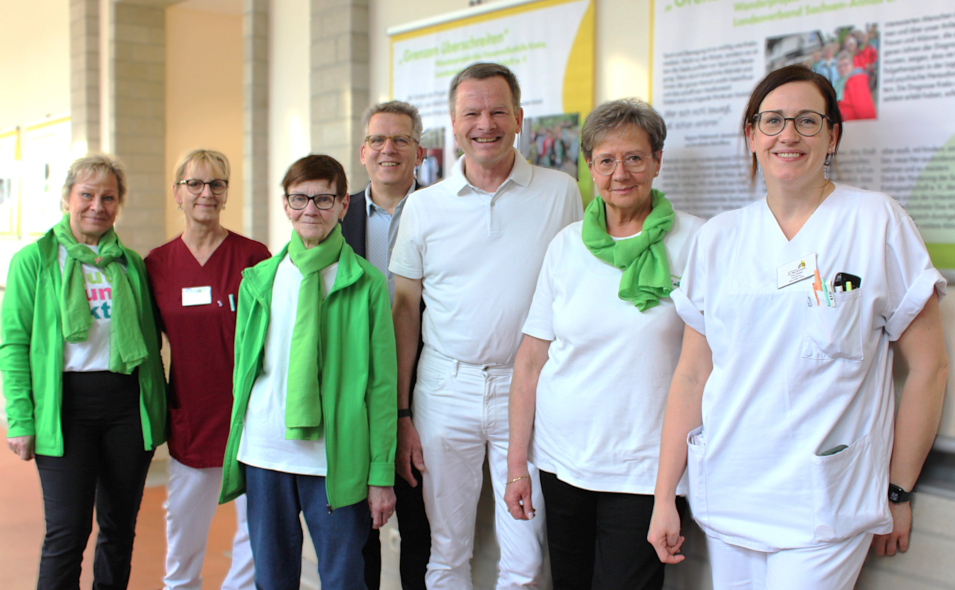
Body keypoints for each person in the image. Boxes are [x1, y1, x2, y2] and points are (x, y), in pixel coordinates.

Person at [648, 65, 948, 588]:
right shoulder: (719, 239)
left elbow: (929, 368)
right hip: (731, 490)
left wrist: (898, 491)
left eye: (808, 121)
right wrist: (663, 498)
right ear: (751, 135)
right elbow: (692, 375)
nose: (789, 134)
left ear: (832, 135)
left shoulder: (876, 221)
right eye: (773, 121)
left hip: (827, 498)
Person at [389, 62, 583, 589]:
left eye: (498, 110)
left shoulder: (561, 192)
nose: (485, 123)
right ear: (453, 125)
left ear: (519, 118)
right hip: (444, 390)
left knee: (524, 557)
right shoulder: (424, 206)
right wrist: (403, 412)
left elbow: (576, 293)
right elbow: (405, 312)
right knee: (447, 552)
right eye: (471, 112)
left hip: (527, 391)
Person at [505, 99, 703, 590]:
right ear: (589, 167)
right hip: (562, 460)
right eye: (607, 160)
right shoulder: (567, 245)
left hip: (646, 468)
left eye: (635, 157)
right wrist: (516, 467)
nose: (621, 173)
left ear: (657, 160)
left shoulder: (698, 241)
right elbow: (531, 361)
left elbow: (711, 364)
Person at [219, 154, 398, 589]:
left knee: (343, 577)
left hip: (335, 459)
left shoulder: (366, 282)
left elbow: (381, 387)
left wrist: (380, 474)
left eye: (322, 198)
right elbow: (244, 370)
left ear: (342, 206)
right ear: (285, 205)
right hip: (265, 453)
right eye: (299, 198)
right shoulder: (259, 279)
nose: (310, 210)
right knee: (273, 576)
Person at [2, 153, 167, 589]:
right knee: (67, 531)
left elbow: (151, 341)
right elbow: (14, 344)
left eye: (108, 197)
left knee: (118, 529)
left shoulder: (130, 263)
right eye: (87, 195)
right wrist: (20, 418)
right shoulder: (34, 261)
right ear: (66, 199)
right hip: (65, 408)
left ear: (119, 204)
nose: (97, 205)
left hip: (125, 408)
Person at [146, 149, 270, 590]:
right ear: (177, 193)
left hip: (248, 419)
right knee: (183, 536)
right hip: (191, 420)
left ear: (226, 194)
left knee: (254, 540)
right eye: (194, 184)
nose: (205, 193)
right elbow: (145, 346)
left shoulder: (254, 257)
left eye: (216, 184)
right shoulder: (157, 265)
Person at [341, 100, 431, 590]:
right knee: (358, 532)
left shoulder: (443, 210)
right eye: (378, 140)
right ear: (363, 151)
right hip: (353, 394)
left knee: (420, 528)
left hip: (425, 391)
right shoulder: (335, 215)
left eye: (401, 140)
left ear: (419, 151)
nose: (388, 149)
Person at [835, 51, 876, 121]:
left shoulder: (856, 80)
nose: (842, 68)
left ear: (852, 65)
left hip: (856, 126)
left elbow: (864, 109)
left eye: (845, 65)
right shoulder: (839, 84)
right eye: (839, 66)